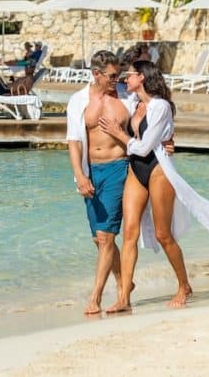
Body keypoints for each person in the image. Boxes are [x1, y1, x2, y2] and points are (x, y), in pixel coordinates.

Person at [98, 60, 209, 312]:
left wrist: (119, 134)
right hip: (136, 168)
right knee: (129, 234)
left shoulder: (161, 107)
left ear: (142, 77)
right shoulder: (133, 104)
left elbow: (145, 146)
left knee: (162, 235)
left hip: (157, 169)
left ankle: (184, 285)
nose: (125, 79)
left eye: (130, 75)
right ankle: (124, 297)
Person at [65, 50, 137, 315]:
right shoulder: (78, 100)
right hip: (91, 171)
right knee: (99, 239)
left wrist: (165, 140)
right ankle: (124, 285)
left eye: (118, 75)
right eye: (111, 76)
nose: (116, 80)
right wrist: (80, 176)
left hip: (119, 167)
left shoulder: (127, 97)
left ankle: (94, 298)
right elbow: (73, 141)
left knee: (107, 237)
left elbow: (153, 113)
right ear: (96, 74)